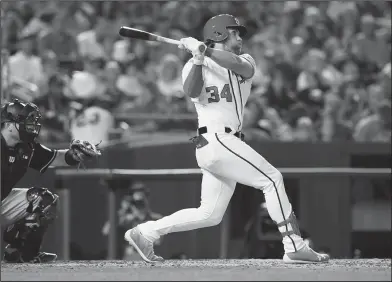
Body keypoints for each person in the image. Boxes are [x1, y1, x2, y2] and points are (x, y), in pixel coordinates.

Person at [124, 14, 330, 264]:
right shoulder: (193, 64)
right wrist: (198, 58)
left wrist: (205, 51)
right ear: (220, 33)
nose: (240, 37)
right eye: (235, 32)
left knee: (209, 214)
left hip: (224, 142)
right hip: (215, 138)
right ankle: (294, 245)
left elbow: (241, 66)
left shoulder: (244, 60)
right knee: (272, 179)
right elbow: (191, 91)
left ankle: (145, 232)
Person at [1, 99, 101, 263]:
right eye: (25, 122)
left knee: (44, 201)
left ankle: (22, 254)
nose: (31, 126)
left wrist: (74, 155)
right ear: (9, 124)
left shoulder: (26, 147)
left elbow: (56, 157)